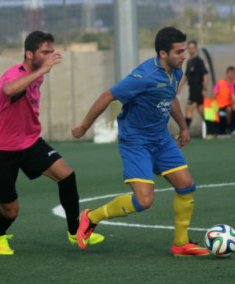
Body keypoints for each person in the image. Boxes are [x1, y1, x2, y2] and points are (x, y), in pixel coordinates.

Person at [72, 27, 209, 256]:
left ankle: (181, 243)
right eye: (178, 52)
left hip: (161, 139)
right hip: (136, 142)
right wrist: (84, 126)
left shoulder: (175, 71)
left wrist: (183, 127)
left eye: (184, 50)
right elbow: (108, 96)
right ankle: (91, 217)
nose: (183, 56)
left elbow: (170, 97)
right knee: (144, 201)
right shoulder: (143, 76)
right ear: (163, 53)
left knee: (186, 186)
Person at [0, 31, 104, 255]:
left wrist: (40, 71)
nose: (50, 56)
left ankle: (75, 231)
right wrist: (43, 69)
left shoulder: (38, 75)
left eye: (51, 52)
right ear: (29, 54)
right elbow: (8, 90)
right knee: (11, 211)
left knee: (67, 175)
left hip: (28, 142)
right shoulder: (14, 75)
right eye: (45, 52)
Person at [177, 40, 209, 129]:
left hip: (197, 89)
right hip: (192, 89)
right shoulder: (189, 61)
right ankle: (212, 130)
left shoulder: (199, 61)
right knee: (201, 110)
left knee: (189, 109)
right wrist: (179, 87)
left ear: (196, 48)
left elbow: (205, 75)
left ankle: (184, 131)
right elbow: (186, 76)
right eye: (189, 48)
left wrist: (204, 89)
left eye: (193, 48)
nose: (191, 50)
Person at [212, 66, 235, 134]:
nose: (232, 75)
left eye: (233, 73)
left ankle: (231, 128)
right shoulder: (220, 82)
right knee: (228, 109)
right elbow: (213, 95)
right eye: (230, 73)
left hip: (231, 104)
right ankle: (215, 130)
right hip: (220, 105)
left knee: (232, 109)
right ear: (227, 74)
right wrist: (214, 106)